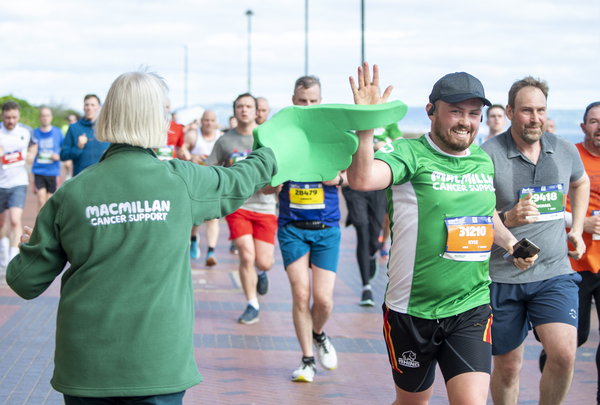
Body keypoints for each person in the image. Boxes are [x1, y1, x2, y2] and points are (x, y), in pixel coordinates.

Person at [6, 70, 278, 405]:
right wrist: (271, 151)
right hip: (157, 367)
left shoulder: (72, 193)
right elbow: (241, 178)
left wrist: (33, 249)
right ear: (155, 119)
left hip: (86, 369)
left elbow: (23, 281)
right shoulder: (182, 181)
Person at [346, 64, 536, 405]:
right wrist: (365, 127)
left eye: (474, 114)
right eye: (456, 112)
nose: (466, 121)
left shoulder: (482, 159)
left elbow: (484, 214)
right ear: (431, 110)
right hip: (411, 311)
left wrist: (510, 242)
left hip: (471, 305)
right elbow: (361, 180)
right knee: (413, 402)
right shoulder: (410, 154)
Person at [481, 76, 589, 405]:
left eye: (541, 110)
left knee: (564, 354)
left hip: (554, 273)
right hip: (503, 276)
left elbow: (580, 182)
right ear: (511, 112)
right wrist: (509, 220)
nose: (535, 118)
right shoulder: (488, 155)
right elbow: (477, 214)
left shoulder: (564, 150)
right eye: (527, 110)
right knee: (509, 367)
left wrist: (577, 227)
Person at [279, 75, 342, 382]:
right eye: (302, 101)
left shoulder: (330, 134)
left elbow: (352, 174)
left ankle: (318, 334)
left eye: (313, 101)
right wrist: (273, 181)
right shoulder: (283, 136)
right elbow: (266, 187)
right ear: (294, 101)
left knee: (324, 299)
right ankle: (306, 361)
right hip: (292, 226)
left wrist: (338, 179)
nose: (307, 106)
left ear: (320, 101)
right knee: (300, 294)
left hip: (326, 226)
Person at [538, 101, 600, 404]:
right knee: (577, 338)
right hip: (573, 263)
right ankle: (549, 368)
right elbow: (548, 203)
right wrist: (581, 222)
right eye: (594, 121)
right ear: (583, 126)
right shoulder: (567, 155)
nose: (599, 127)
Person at [205, 93, 279, 324]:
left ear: (257, 110)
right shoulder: (225, 141)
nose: (244, 110)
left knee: (264, 261)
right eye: (239, 106)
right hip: (238, 206)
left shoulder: (269, 137)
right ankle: (252, 304)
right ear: (234, 110)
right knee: (246, 255)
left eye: (248, 106)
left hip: (266, 207)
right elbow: (211, 168)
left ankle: (262, 272)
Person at [181, 110, 221, 265]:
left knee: (213, 218)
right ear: (201, 121)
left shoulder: (220, 137)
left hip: (213, 184)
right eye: (206, 120)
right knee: (196, 218)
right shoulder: (193, 135)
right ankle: (193, 238)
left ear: (215, 121)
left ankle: (211, 252)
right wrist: (190, 157)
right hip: (196, 184)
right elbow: (182, 149)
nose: (209, 123)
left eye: (212, 120)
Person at [0, 101, 36, 267]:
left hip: (19, 182)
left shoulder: (25, 131)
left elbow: (33, 145)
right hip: (1, 183)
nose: (11, 121)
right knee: (1, 223)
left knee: (15, 221)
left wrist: (31, 155)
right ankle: (3, 250)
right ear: (2, 116)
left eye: (14, 117)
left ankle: (12, 257)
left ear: (18, 116)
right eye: (7, 118)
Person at [60, 94, 109, 176]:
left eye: (93, 105)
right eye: (87, 105)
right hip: (81, 179)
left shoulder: (107, 127)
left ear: (99, 107)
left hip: (103, 177)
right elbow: (63, 155)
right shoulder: (74, 128)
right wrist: (78, 147)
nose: (89, 108)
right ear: (83, 107)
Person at [32, 107, 64, 211]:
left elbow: (64, 149)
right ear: (39, 118)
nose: (45, 118)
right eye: (43, 116)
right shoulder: (34, 133)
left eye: (47, 115)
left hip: (53, 171)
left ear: (51, 117)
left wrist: (58, 156)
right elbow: (29, 149)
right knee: (41, 200)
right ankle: (39, 226)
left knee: (50, 201)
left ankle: (49, 225)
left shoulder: (58, 132)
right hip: (39, 170)